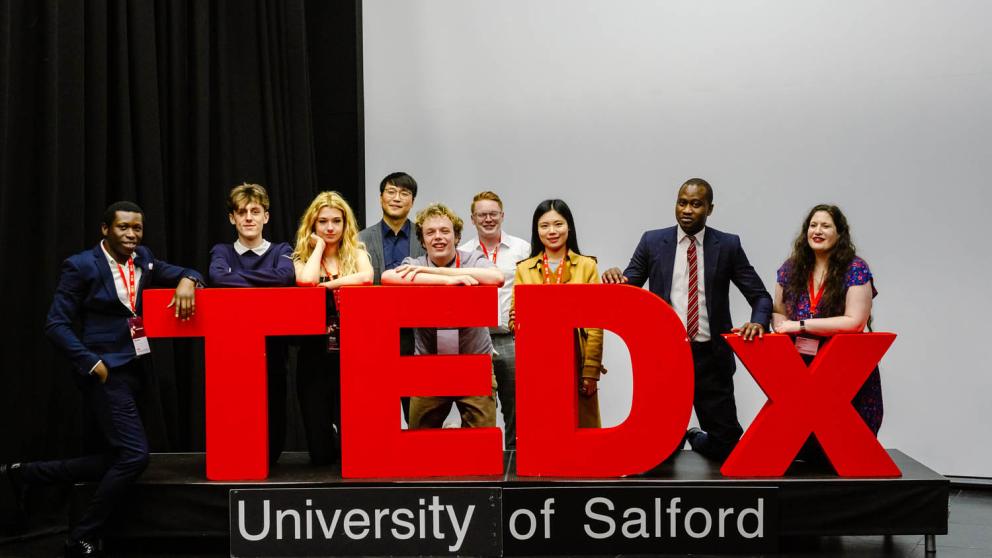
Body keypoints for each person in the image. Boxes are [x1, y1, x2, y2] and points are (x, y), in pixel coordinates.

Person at [1, 201, 203, 558]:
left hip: (137, 368)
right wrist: (92, 363)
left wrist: (189, 280)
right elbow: (55, 324)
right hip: (106, 373)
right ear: (105, 229)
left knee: (118, 456)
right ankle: (81, 536)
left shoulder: (144, 258)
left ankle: (24, 474)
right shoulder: (81, 266)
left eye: (137, 229)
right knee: (136, 456)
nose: (131, 235)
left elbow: (186, 270)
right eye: (124, 228)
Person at [602, 178, 772, 461]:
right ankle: (676, 443)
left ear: (710, 209)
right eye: (682, 203)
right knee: (659, 450)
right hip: (666, 355)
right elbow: (628, 289)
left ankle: (695, 437)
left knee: (727, 447)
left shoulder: (728, 245)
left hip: (711, 358)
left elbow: (761, 296)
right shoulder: (653, 242)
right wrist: (614, 277)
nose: (688, 210)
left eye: (696, 204)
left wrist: (758, 321)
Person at [772, 204, 882, 462]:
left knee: (847, 449)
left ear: (839, 233)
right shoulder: (791, 268)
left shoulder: (855, 268)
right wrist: (780, 324)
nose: (817, 231)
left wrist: (800, 326)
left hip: (843, 371)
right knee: (800, 448)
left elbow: (855, 321)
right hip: (801, 367)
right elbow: (777, 311)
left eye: (825, 226)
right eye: (813, 225)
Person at [382, 203, 504, 429]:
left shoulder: (472, 259)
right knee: (420, 444)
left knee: (480, 448)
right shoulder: (415, 264)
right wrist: (447, 282)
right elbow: (388, 278)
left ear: (456, 237)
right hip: (429, 364)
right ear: (423, 240)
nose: (438, 237)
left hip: (473, 362)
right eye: (430, 232)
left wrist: (436, 271)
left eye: (445, 231)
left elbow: (496, 278)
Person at [208, 183, 295, 464]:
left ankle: (268, 461)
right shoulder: (221, 251)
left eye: (255, 211)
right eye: (241, 212)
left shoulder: (282, 249)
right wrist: (265, 281)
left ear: (266, 217)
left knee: (274, 408)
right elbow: (218, 278)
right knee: (236, 410)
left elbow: (284, 277)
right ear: (232, 218)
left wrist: (238, 277)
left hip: (273, 350)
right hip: (232, 352)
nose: (249, 217)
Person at [293, 191, 373, 464]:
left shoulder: (357, 253)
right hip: (315, 353)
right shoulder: (301, 256)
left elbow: (366, 278)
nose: (329, 227)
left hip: (353, 351)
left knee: (355, 437)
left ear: (345, 224)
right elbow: (306, 282)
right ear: (313, 226)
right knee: (319, 438)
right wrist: (316, 249)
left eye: (336, 221)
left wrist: (326, 285)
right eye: (323, 221)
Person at [511, 199, 605, 427]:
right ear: (537, 230)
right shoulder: (524, 269)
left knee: (581, 430)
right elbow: (515, 318)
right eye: (544, 226)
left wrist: (591, 371)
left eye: (558, 224)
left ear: (569, 226)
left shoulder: (587, 266)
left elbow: (596, 323)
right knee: (545, 427)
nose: (552, 231)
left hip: (577, 359)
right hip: (539, 360)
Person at [458, 191, 531, 448]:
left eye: (493, 214)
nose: (488, 219)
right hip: (475, 340)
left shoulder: (523, 249)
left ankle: (515, 459)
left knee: (516, 408)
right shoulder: (462, 252)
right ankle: (483, 462)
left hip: (510, 339)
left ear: (502, 215)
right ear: (472, 219)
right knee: (478, 408)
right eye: (481, 215)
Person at [359, 172, 425, 423]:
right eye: (391, 192)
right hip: (377, 335)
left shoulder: (426, 237)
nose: (397, 198)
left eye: (404, 193)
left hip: (417, 335)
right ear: (380, 198)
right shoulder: (361, 240)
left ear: (412, 201)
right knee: (378, 414)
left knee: (417, 413)